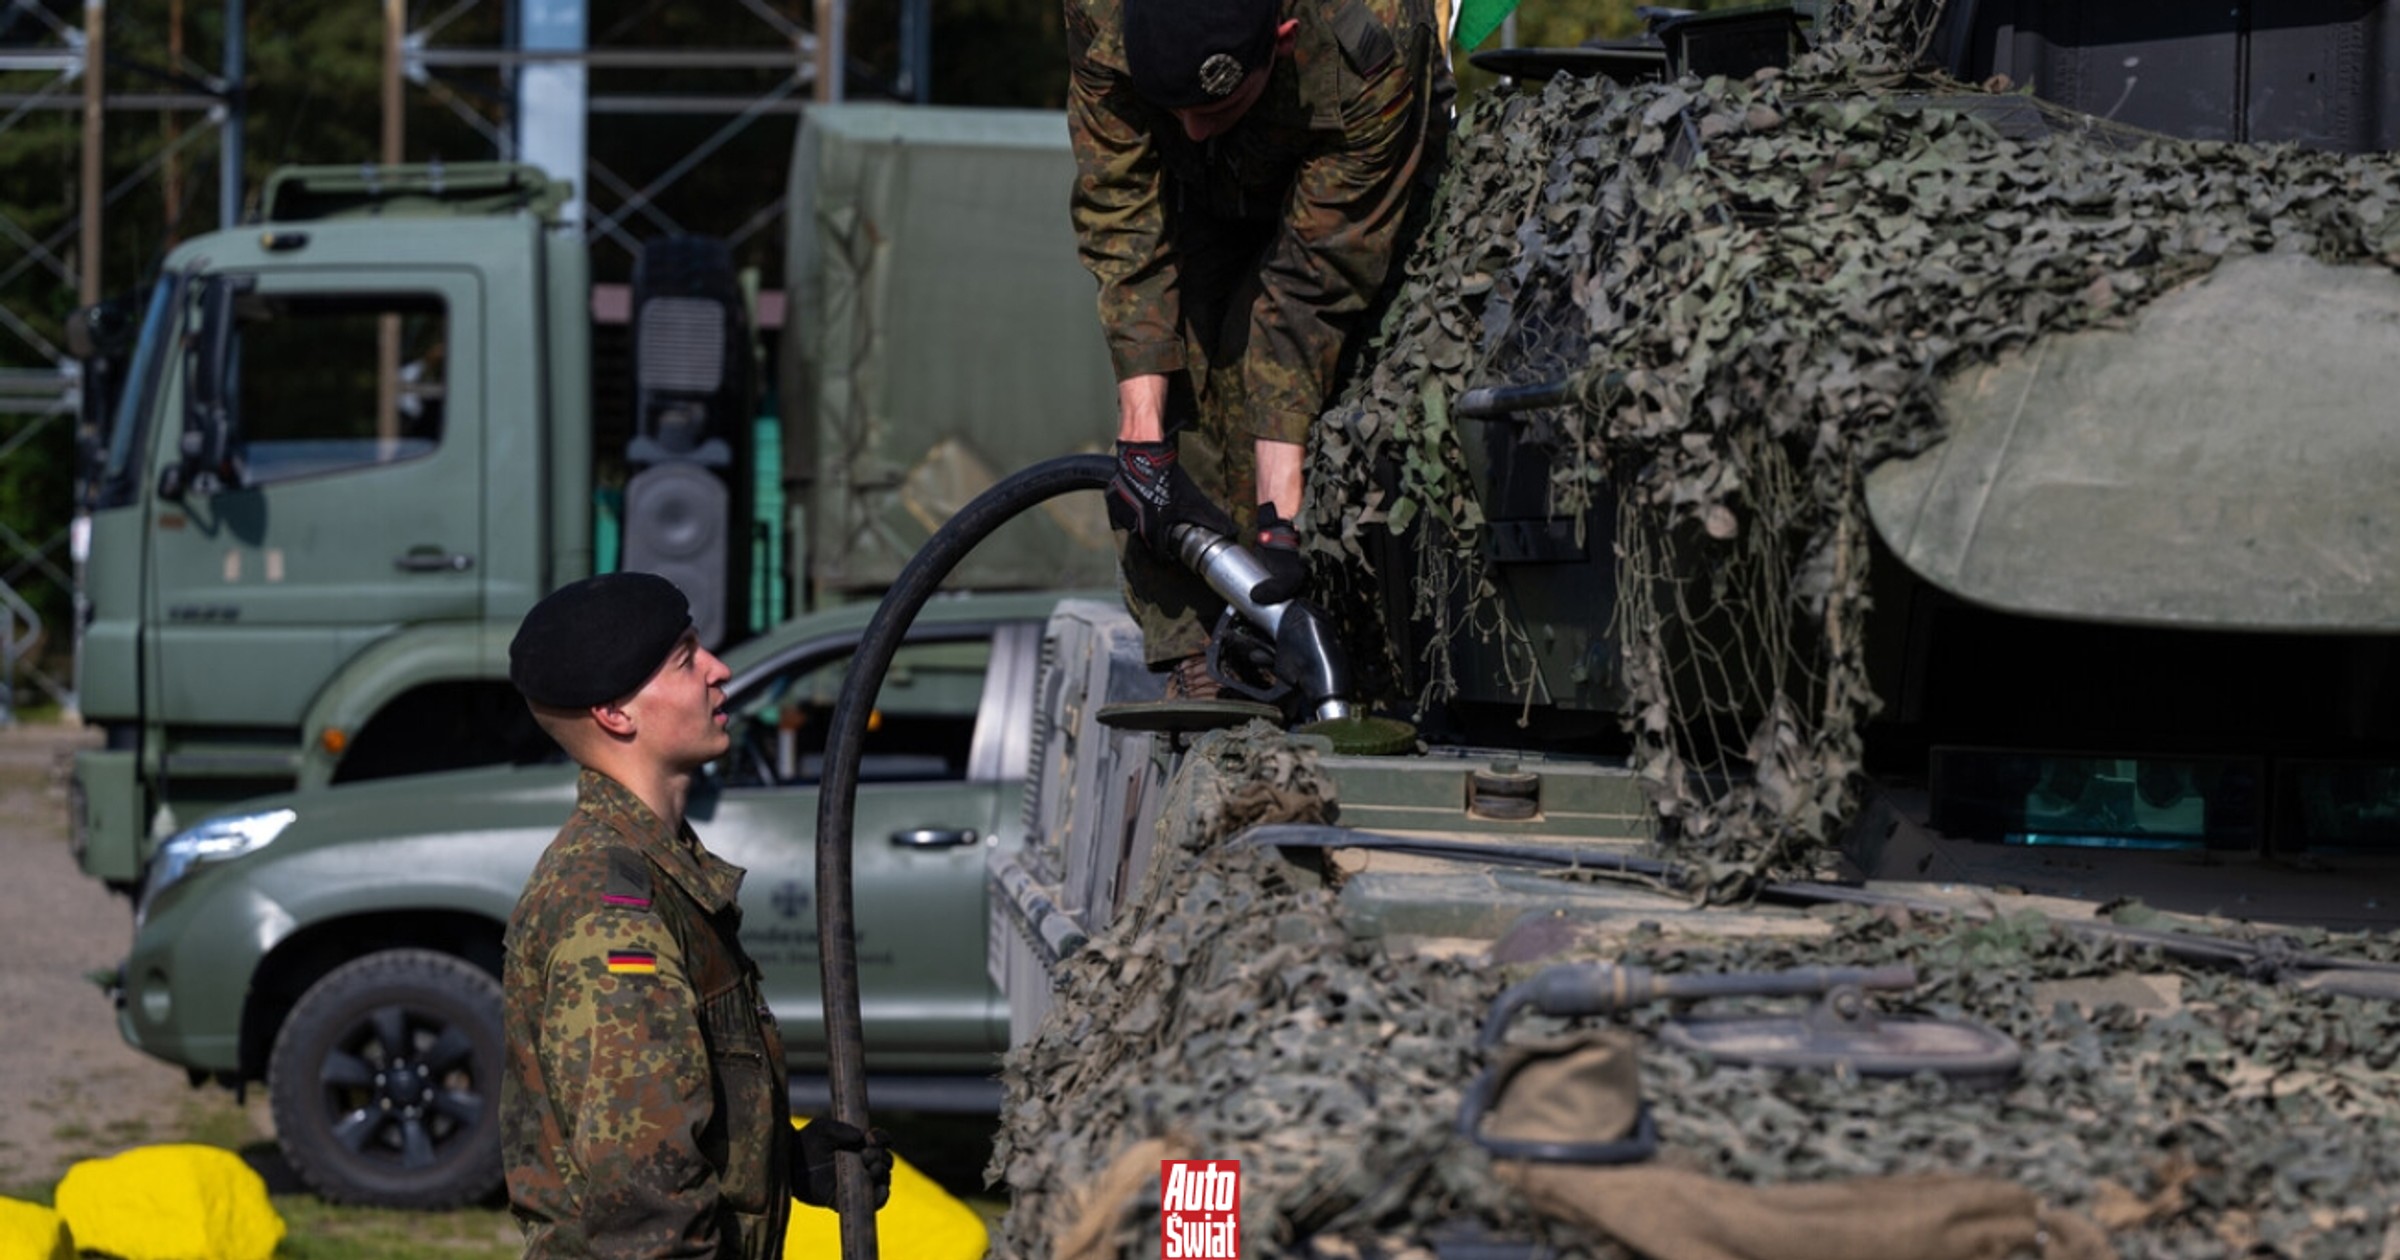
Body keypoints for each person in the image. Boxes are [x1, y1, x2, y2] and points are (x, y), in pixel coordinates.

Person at [498, 571, 887, 1257]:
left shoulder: (660, 870)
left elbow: (665, 1121)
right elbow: (648, 1211)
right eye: (685, 658)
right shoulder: (611, 917)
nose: (718, 669)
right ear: (616, 713)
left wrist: (782, 1163)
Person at [1069, 0, 1451, 696]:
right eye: (1177, 105)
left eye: (1209, 108)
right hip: (1194, 189)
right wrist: (1143, 440)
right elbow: (1124, 219)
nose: (1191, 124)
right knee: (1172, 374)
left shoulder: (1375, 42)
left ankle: (1295, 636)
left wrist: (1279, 520)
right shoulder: (1104, 17)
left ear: (1279, 39)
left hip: (1338, 158)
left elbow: (1309, 293)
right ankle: (1198, 650)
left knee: (1303, 390)